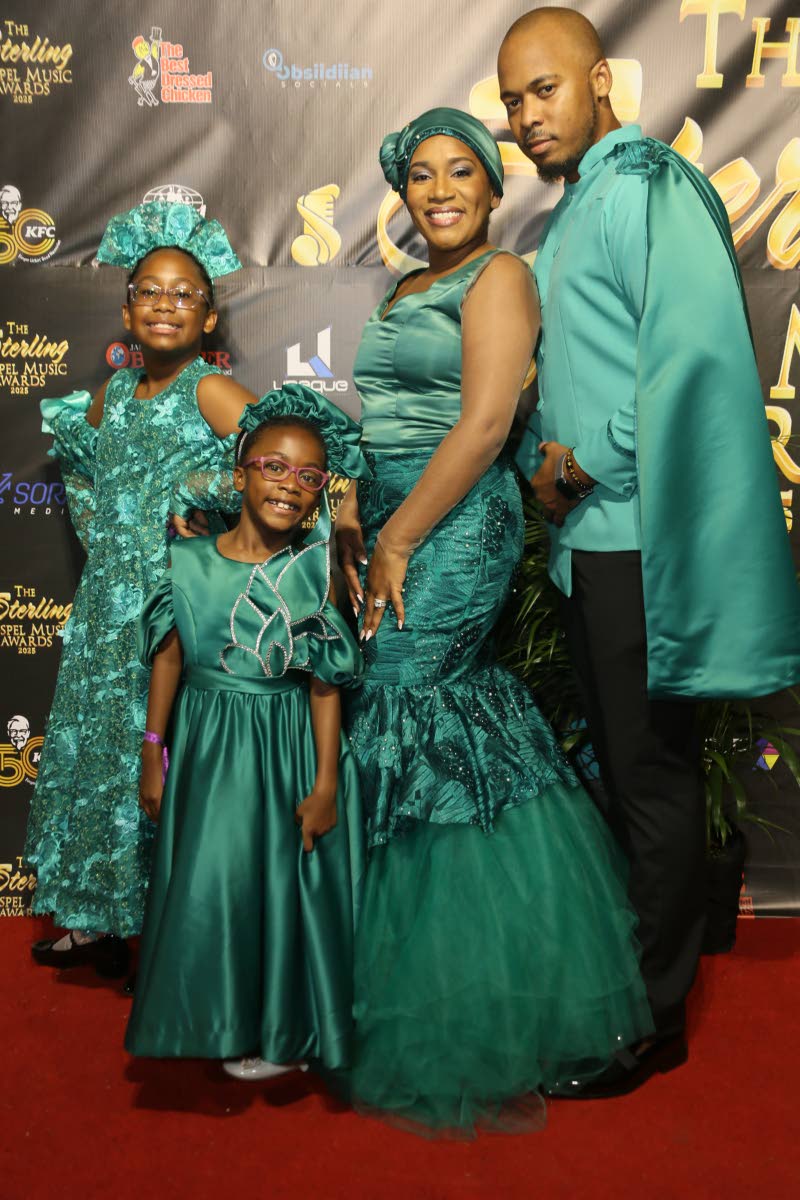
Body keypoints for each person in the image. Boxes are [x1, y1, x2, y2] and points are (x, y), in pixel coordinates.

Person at [497, 8, 800, 1097]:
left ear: (598, 82)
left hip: (634, 545)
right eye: (512, 101)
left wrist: (584, 470)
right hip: (585, 547)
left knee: (653, 778)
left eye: (542, 89)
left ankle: (650, 1021)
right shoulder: (572, 208)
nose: (525, 117)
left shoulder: (645, 187)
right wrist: (542, 462)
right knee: (624, 775)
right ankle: (631, 981)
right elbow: (572, 370)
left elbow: (686, 355)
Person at [335, 106, 653, 1136]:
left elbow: (480, 426)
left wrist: (397, 540)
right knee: (387, 715)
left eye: (460, 171)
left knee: (409, 709)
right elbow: (380, 415)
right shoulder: (404, 287)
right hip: (387, 518)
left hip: (450, 527)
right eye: (419, 173)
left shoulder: (500, 278)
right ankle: (362, 982)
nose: (437, 190)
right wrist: (349, 497)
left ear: (490, 186)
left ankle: (462, 1007)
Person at [25, 202, 256, 977]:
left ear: (210, 315)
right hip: (106, 608)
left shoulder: (210, 391)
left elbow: (283, 462)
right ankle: (98, 917)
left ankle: (164, 923)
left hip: (171, 608)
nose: (164, 304)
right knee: (102, 753)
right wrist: (115, 547)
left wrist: (203, 503)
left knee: (157, 758)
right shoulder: (115, 396)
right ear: (126, 309)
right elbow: (92, 483)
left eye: (183, 293)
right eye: (149, 291)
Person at [126, 385, 367, 1079]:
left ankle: (280, 1028)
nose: (290, 486)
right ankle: (216, 1017)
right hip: (206, 747)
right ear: (239, 474)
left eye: (309, 478)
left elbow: (324, 684)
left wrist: (325, 783)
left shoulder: (312, 573)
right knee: (214, 882)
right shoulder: (187, 563)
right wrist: (152, 752)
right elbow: (167, 657)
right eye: (274, 468)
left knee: (280, 884)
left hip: (285, 745)